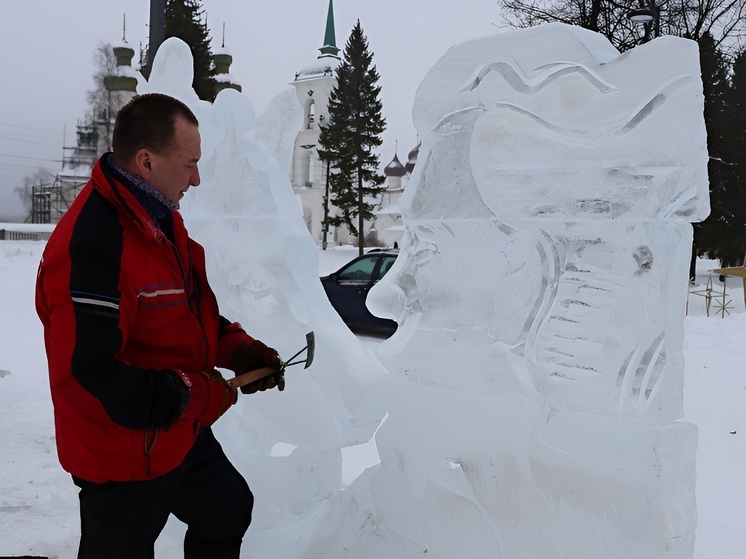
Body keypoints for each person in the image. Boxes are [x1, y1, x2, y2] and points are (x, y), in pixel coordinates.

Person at [35, 93, 283, 558]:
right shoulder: (92, 244)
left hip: (174, 433)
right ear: (146, 161)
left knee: (227, 509)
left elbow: (187, 317)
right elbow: (88, 375)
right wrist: (196, 392)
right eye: (189, 163)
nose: (197, 178)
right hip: (120, 455)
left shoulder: (161, 222)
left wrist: (240, 351)